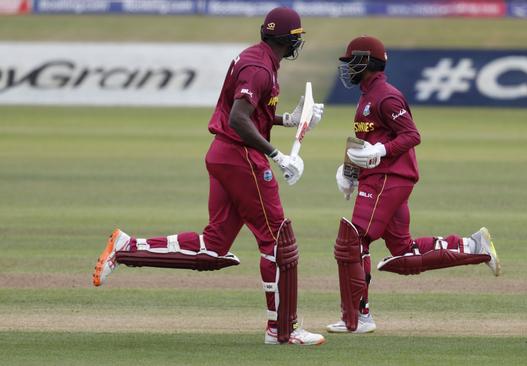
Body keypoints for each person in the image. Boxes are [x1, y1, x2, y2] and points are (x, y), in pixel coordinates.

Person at [92, 7, 326, 346]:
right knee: (276, 241)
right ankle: (282, 330)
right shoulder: (258, 67)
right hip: (239, 156)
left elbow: (254, 114)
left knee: (213, 249)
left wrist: (288, 120)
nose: (296, 45)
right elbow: (238, 119)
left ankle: (127, 247)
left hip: (225, 155)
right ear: (284, 40)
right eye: (295, 39)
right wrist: (277, 155)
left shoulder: (257, 60)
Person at [328, 36, 501, 334]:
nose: (347, 69)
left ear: (367, 62)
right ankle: (475, 246)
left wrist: (380, 152)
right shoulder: (368, 95)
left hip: (389, 177)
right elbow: (365, 142)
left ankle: (357, 318)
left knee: (354, 240)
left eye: (351, 62)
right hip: (381, 177)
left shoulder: (385, 96)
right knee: (403, 253)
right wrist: (349, 172)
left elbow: (411, 135)